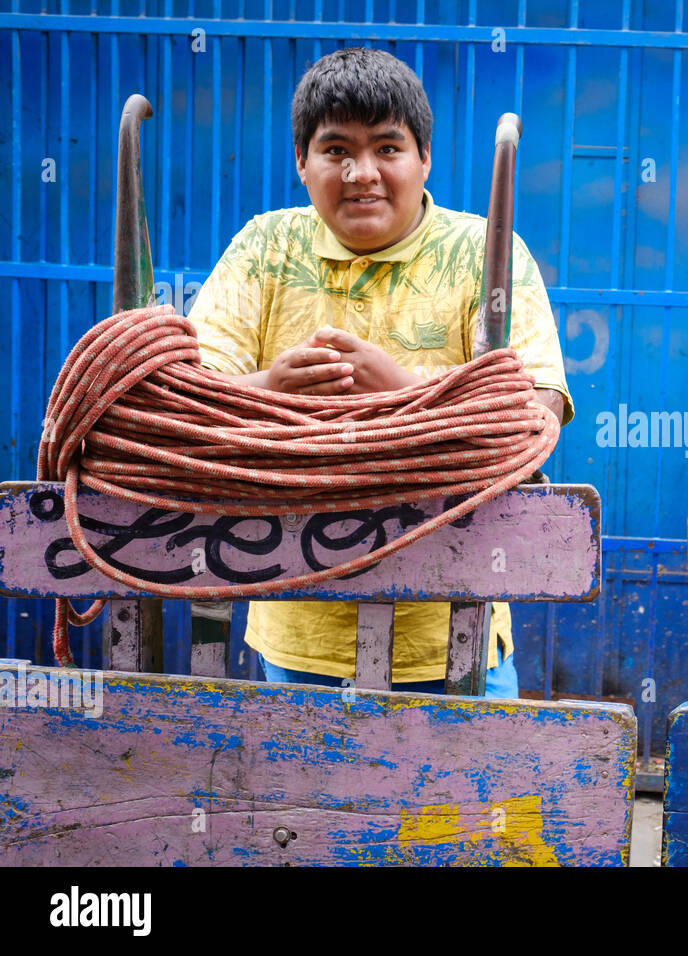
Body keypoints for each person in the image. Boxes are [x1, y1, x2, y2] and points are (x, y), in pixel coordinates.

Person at [186, 47, 573, 698]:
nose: (361, 173)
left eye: (387, 148)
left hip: (456, 628)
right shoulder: (264, 247)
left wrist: (399, 390)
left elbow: (532, 413)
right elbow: (182, 398)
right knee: (308, 800)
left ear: (424, 158)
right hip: (296, 628)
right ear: (302, 164)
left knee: (468, 801)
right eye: (336, 150)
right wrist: (272, 388)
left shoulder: (483, 251)